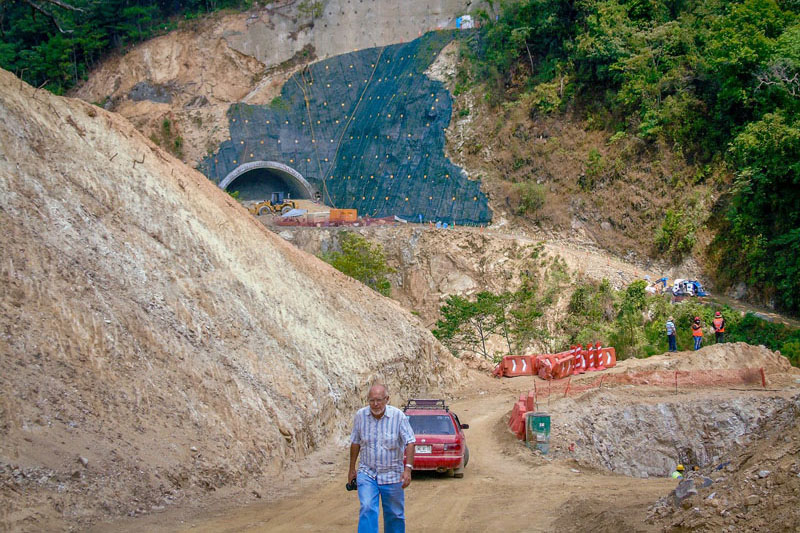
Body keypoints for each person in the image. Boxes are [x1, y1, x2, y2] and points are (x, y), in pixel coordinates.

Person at [348, 383, 416, 533]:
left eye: (379, 400)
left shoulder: (398, 416)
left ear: (387, 399)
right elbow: (355, 442)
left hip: (392, 474)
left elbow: (410, 442)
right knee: (367, 507)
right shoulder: (360, 416)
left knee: (395, 514)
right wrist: (352, 469)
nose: (375, 404)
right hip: (368, 473)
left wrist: (408, 469)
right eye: (371, 400)